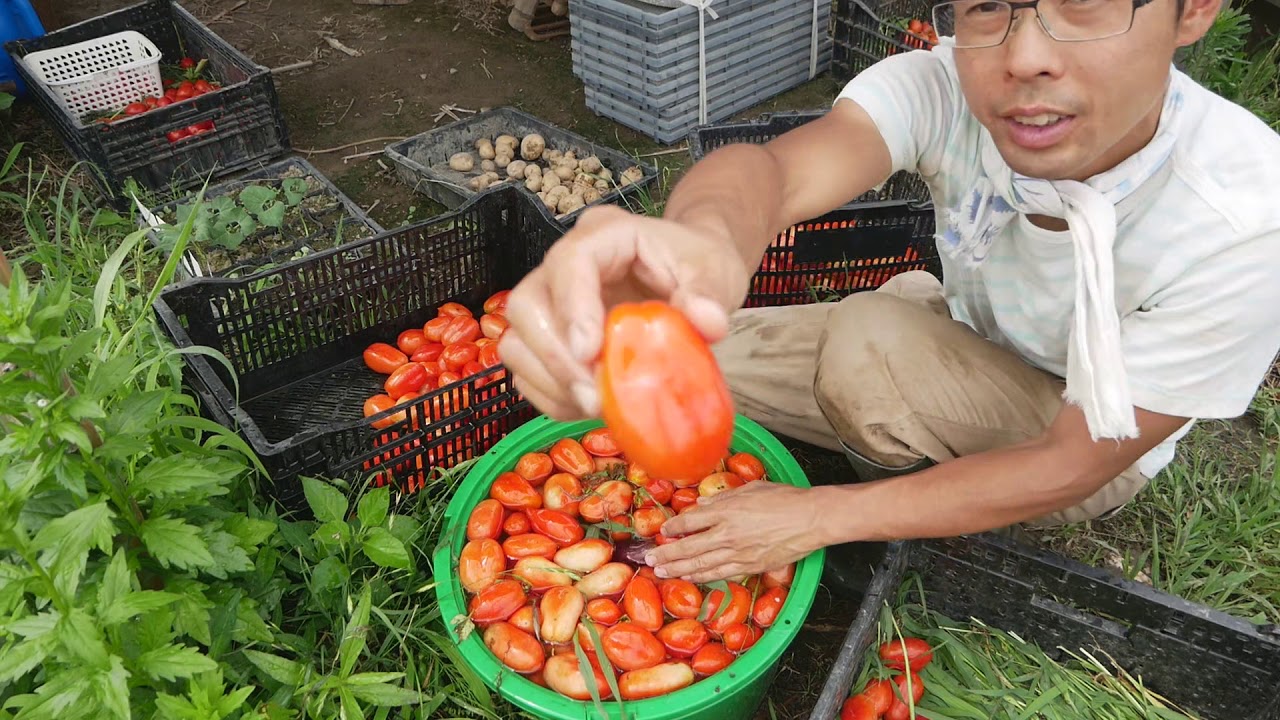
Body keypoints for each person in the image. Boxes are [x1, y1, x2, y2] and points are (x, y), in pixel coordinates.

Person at [497, 0, 1280, 586]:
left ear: (1193, 10)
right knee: (697, 357)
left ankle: (895, 453)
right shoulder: (946, 88)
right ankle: (906, 353)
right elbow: (773, 172)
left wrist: (818, 518)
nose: (1027, 55)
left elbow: (1070, 465)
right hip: (966, 335)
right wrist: (705, 240)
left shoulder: (1245, 219)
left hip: (1094, 436)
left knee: (869, 342)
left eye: (1083, 2)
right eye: (987, 7)